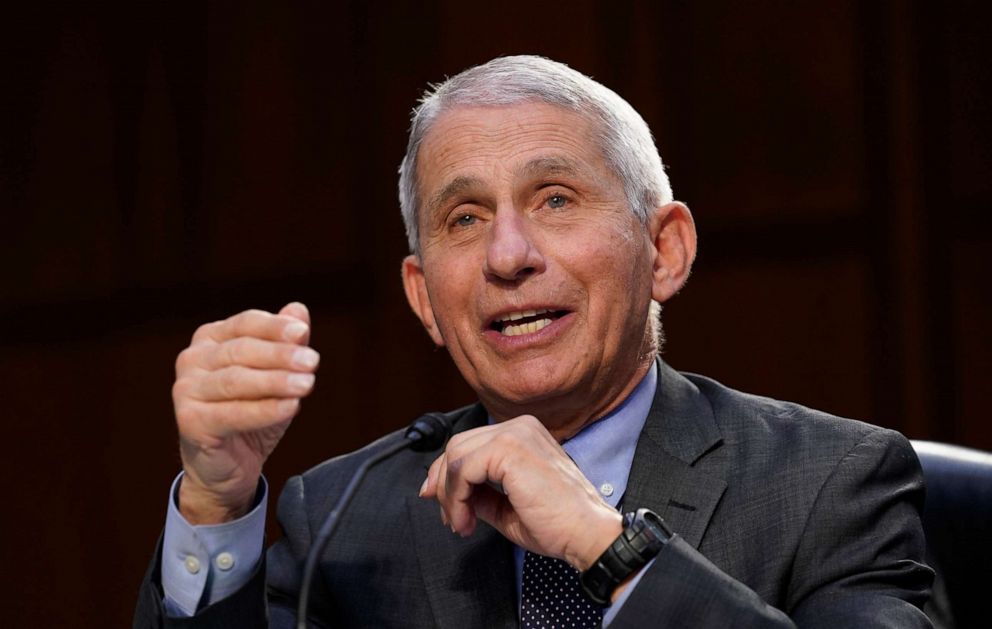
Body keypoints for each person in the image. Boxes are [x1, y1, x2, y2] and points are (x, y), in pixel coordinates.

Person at [134, 55, 934, 628]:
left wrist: (607, 547)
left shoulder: (832, 482)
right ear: (424, 298)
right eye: (466, 218)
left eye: (555, 199)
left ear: (665, 250)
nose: (509, 255)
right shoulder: (344, 519)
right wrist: (215, 502)